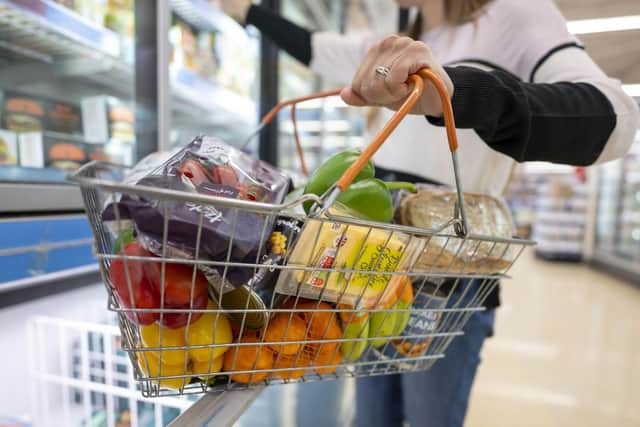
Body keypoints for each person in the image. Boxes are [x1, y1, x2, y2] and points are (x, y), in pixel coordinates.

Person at [223, 1, 639, 426]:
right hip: (375, 269)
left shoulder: (516, 14)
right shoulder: (402, 40)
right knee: (370, 419)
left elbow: (617, 118)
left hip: (448, 279)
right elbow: (318, 48)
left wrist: (456, 92)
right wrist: (249, 13)